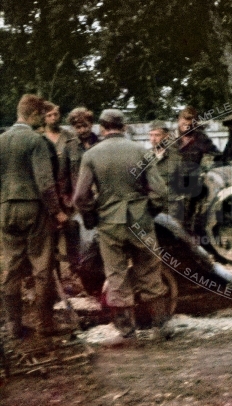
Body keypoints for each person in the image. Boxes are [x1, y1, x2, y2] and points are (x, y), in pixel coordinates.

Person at [73, 109, 170, 345]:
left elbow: (80, 197)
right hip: (140, 221)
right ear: (124, 127)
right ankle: (160, 327)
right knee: (149, 272)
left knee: (116, 275)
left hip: (109, 224)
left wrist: (93, 217)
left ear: (102, 128)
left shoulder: (91, 155)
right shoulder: (141, 151)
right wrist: (149, 212)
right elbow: (160, 192)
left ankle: (126, 331)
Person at [0, 94, 68, 339]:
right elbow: (45, 183)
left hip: (6, 209)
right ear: (34, 114)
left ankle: (13, 326)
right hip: (33, 209)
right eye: (41, 114)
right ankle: (45, 323)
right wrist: (57, 211)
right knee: (42, 266)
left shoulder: (1, 140)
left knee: (11, 268)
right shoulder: (36, 141)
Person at [175, 106, 221, 230]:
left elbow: (216, 155)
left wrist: (206, 165)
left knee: (189, 217)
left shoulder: (201, 139)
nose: (186, 126)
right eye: (183, 122)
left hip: (194, 183)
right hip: (173, 183)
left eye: (189, 123)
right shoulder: (171, 140)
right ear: (179, 121)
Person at [148, 120, 184, 222]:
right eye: (150, 135)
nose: (153, 139)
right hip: (152, 206)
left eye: (157, 135)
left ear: (166, 136)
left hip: (172, 207)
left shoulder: (177, 156)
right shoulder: (145, 156)